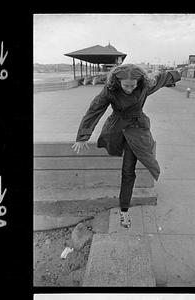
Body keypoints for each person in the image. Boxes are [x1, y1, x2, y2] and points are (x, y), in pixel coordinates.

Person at [72, 64, 181, 228]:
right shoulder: (110, 90)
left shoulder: (145, 86)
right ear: (118, 82)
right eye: (125, 86)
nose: (129, 89)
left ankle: (124, 210)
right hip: (117, 128)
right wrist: (82, 136)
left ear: (139, 81)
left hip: (137, 129)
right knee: (125, 165)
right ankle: (124, 209)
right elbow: (94, 110)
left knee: (128, 170)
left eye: (132, 85)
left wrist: (177, 73)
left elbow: (162, 78)